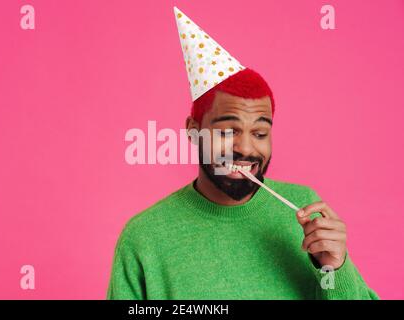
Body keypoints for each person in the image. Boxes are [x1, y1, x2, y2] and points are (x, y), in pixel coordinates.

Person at [106, 7, 379, 300]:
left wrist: (335, 269)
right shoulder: (144, 237)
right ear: (193, 130)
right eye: (227, 131)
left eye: (260, 134)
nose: (246, 149)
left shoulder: (307, 210)